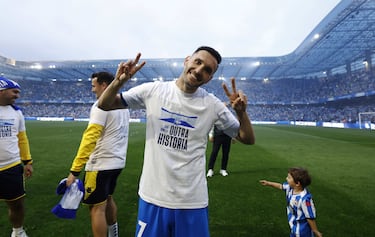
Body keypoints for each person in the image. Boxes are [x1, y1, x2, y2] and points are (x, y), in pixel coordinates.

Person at [98, 46, 255, 237]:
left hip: (192, 202)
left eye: (207, 70)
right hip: (153, 198)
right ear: (187, 60)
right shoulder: (154, 90)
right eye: (198, 62)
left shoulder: (212, 105)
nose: (199, 70)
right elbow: (104, 104)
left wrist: (241, 112)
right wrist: (117, 82)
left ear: (210, 78)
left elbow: (247, 139)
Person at [66, 72, 130, 237]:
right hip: (117, 163)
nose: (92, 90)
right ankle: (113, 234)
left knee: (96, 209)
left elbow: (90, 137)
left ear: (103, 85)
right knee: (108, 199)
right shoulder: (123, 105)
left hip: (100, 164)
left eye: (94, 86)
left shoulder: (101, 105)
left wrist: (75, 170)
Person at [0, 77, 33, 237]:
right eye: (14, 92)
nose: (17, 96)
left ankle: (18, 231)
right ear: (2, 90)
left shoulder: (17, 112)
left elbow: (22, 139)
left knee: (16, 204)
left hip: (11, 167)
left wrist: (27, 162)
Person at [260, 167, 323, 237]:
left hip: (303, 231)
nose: (286, 178)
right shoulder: (290, 187)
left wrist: (315, 230)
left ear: (297, 183)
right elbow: (281, 186)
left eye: (289, 177)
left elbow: (310, 217)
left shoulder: (304, 199)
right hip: (294, 226)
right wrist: (268, 183)